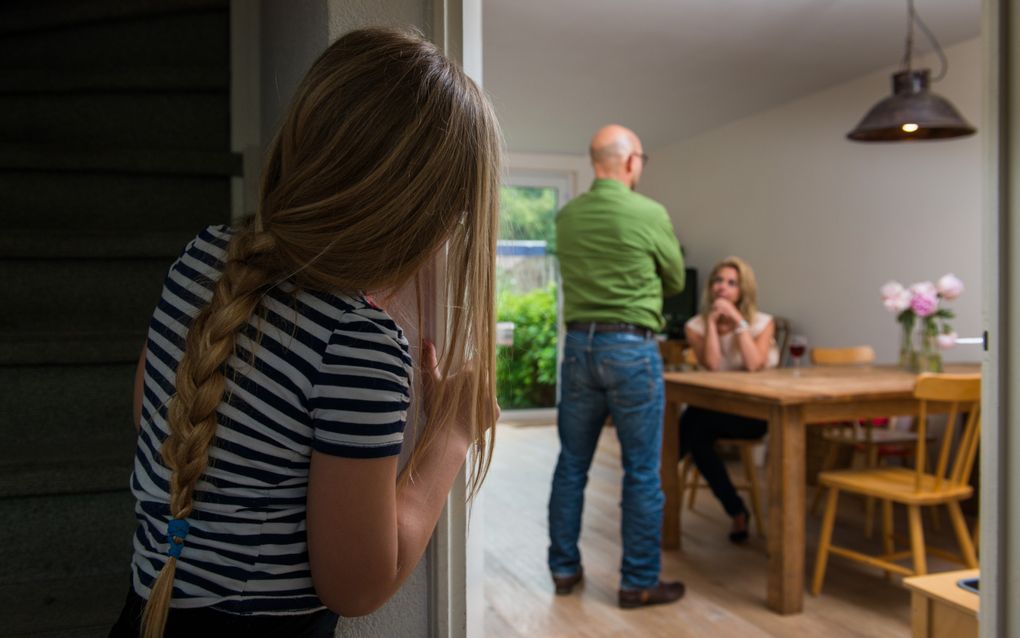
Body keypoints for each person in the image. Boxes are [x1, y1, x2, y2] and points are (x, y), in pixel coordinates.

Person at [108, 28, 502, 638]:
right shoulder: (358, 343)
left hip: (144, 613)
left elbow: (151, 414)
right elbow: (357, 584)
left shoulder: (204, 258)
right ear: (429, 219)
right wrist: (451, 432)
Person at [548, 124, 686, 609]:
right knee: (642, 472)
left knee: (571, 465)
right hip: (632, 349)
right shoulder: (649, 212)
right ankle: (638, 581)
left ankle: (564, 569)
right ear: (630, 162)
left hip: (579, 350)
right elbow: (672, 278)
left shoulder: (567, 217)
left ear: (595, 163)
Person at [681, 256, 778, 543]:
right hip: (713, 412)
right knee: (696, 432)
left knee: (689, 427)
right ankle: (736, 511)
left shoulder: (762, 323)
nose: (723, 288)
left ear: (742, 291)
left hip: (753, 414)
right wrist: (712, 324)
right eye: (718, 281)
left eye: (731, 283)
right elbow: (712, 363)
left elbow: (752, 364)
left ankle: (650, 493)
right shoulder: (695, 326)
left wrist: (738, 322)